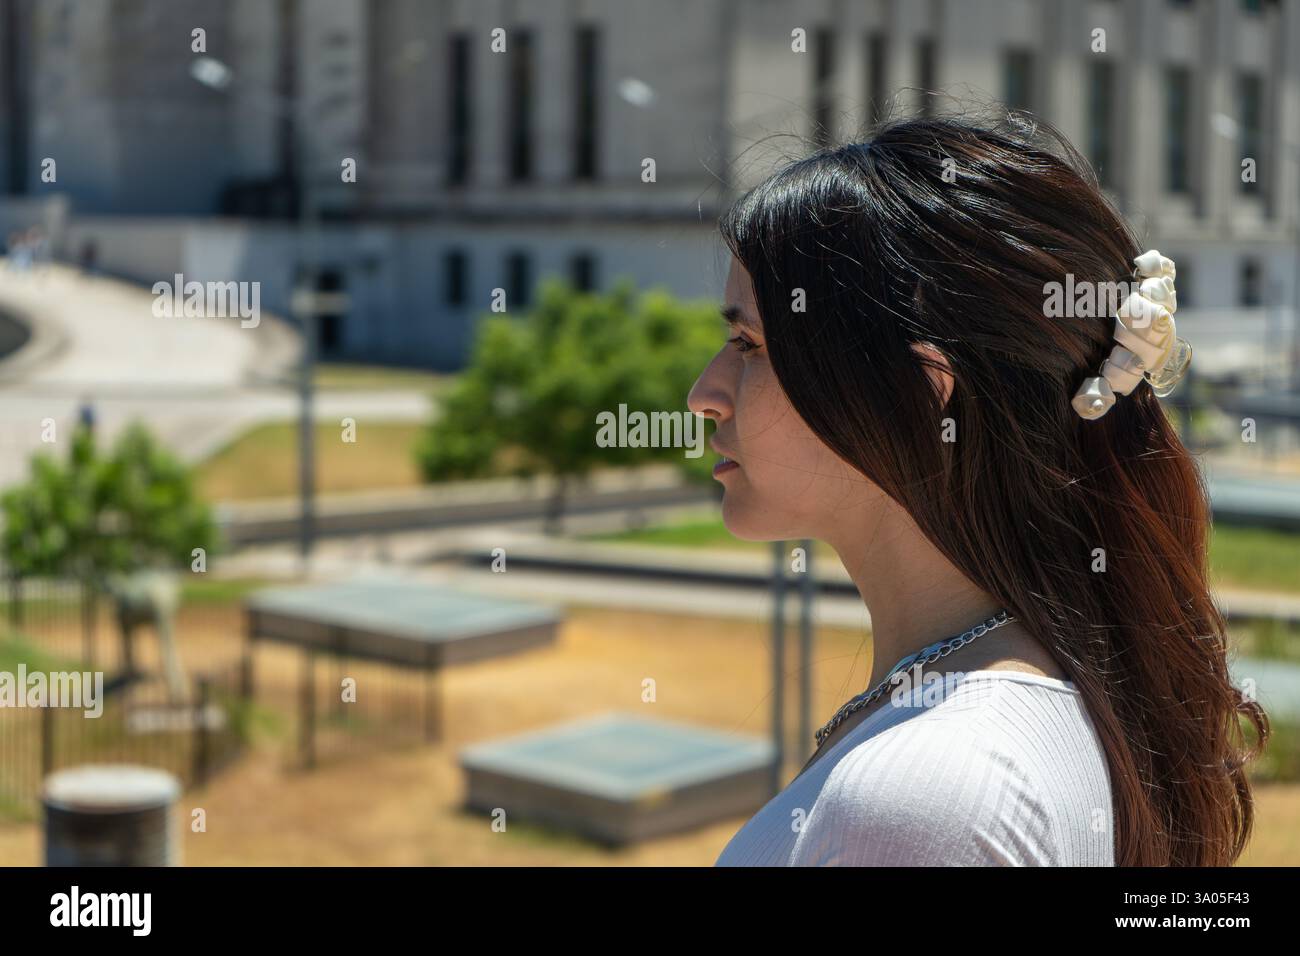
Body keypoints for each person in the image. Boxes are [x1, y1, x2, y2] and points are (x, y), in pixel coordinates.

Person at [693, 114, 1267, 866]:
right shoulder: (1025, 703)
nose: (706, 392)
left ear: (924, 387)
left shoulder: (932, 795)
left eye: (747, 346)